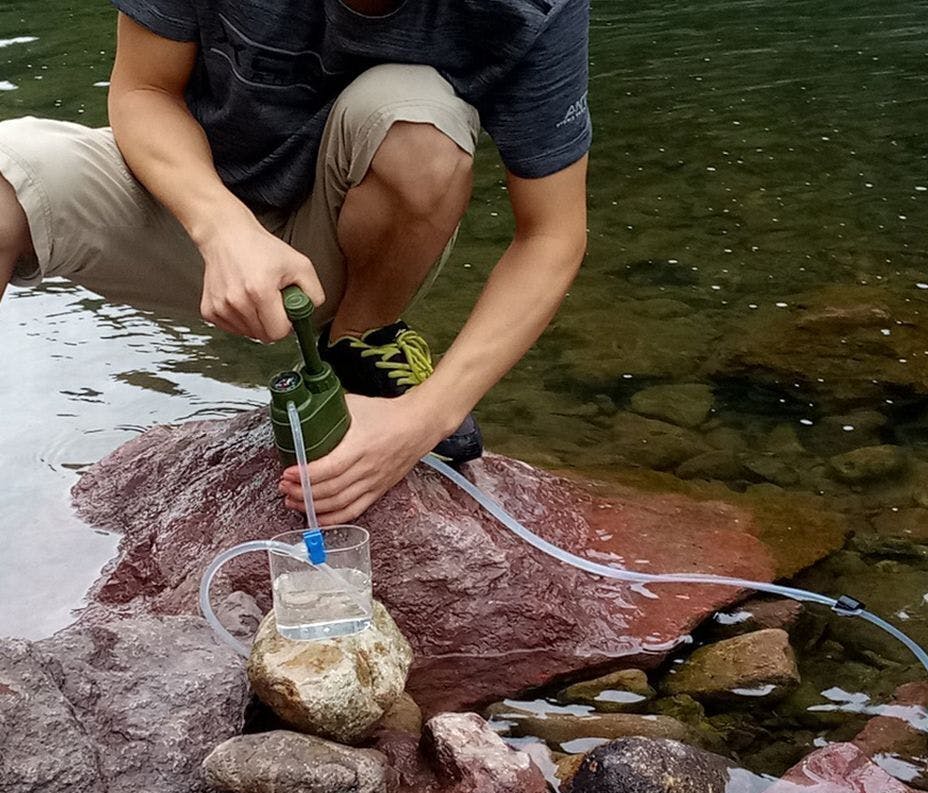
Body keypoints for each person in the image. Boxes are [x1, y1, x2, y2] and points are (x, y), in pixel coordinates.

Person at [0, 0, 591, 524]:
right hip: (188, 199)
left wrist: (424, 419)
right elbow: (142, 92)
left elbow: (551, 235)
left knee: (418, 123)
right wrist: (223, 229)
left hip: (351, 242)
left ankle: (360, 344)